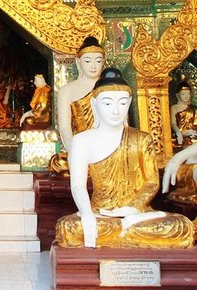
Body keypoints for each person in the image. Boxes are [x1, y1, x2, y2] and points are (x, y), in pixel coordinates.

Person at [55, 68, 194, 248]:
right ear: (94, 103)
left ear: (129, 103)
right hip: (101, 214)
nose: (115, 110)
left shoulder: (141, 138)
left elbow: (151, 182)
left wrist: (134, 208)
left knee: (181, 226)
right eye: (107, 103)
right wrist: (87, 213)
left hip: (137, 214)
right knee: (70, 228)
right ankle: (123, 231)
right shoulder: (82, 140)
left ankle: (124, 229)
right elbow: (77, 185)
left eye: (121, 103)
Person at [50, 36, 105, 173]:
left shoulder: (110, 88)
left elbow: (122, 125)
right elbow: (64, 128)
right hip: (80, 146)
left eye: (98, 61)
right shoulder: (66, 91)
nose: (93, 66)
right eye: (87, 61)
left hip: (107, 146)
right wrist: (75, 151)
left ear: (103, 62)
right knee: (58, 163)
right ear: (78, 62)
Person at [170, 81, 197, 147]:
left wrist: (193, 131)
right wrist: (178, 132)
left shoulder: (194, 108)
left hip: (192, 135)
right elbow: (173, 123)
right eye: (183, 94)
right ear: (177, 95)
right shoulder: (174, 107)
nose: (186, 96)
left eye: (188, 94)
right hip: (180, 135)